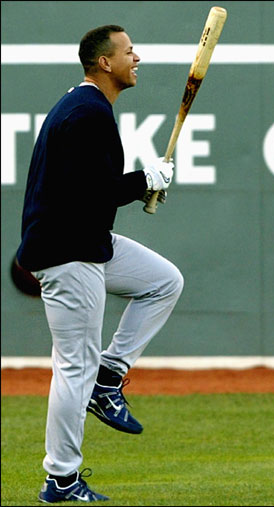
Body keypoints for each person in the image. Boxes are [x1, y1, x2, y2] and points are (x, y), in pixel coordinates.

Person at [16, 25, 184, 503]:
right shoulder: (89, 112)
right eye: (129, 52)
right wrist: (142, 180)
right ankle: (61, 480)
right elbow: (97, 191)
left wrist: (141, 181)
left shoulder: (85, 106)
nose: (138, 58)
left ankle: (109, 376)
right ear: (105, 63)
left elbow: (88, 189)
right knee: (74, 367)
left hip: (83, 240)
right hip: (68, 253)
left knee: (163, 282)